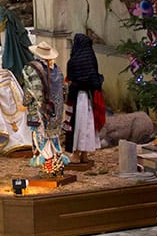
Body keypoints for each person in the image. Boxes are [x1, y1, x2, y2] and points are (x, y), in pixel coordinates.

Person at [22, 41, 71, 175]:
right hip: (56, 110)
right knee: (54, 138)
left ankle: (49, 169)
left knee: (41, 139)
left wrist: (27, 103)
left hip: (40, 111)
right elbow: (64, 89)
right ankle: (58, 167)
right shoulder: (56, 69)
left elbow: (34, 91)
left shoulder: (31, 69)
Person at [63, 33, 103, 163]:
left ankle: (76, 153)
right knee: (88, 124)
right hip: (89, 97)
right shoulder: (92, 59)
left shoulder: (73, 61)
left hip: (78, 98)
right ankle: (84, 154)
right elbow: (95, 79)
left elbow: (70, 78)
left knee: (77, 125)